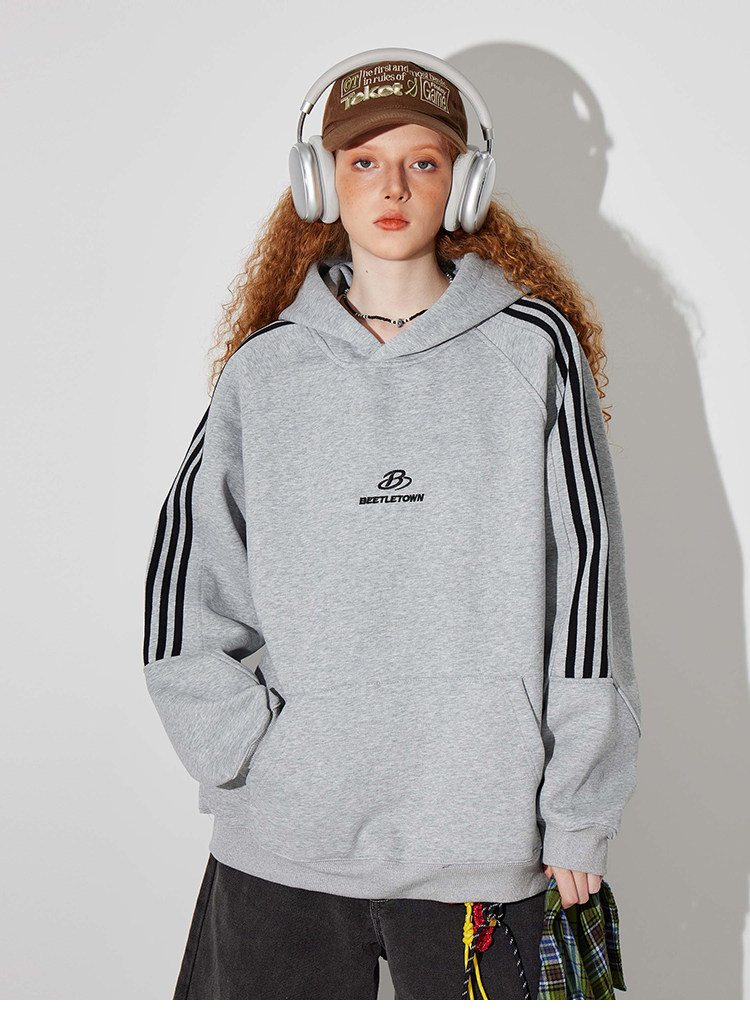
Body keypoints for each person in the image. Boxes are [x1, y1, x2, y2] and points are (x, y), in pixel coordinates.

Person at [142, 49, 642, 1000]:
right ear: (319, 179)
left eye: (424, 161)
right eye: (363, 161)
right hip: (282, 844)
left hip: (486, 842)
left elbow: (589, 586)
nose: (393, 187)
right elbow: (185, 585)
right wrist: (244, 750)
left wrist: (578, 806)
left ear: (465, 182)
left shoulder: (534, 350)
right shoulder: (266, 370)